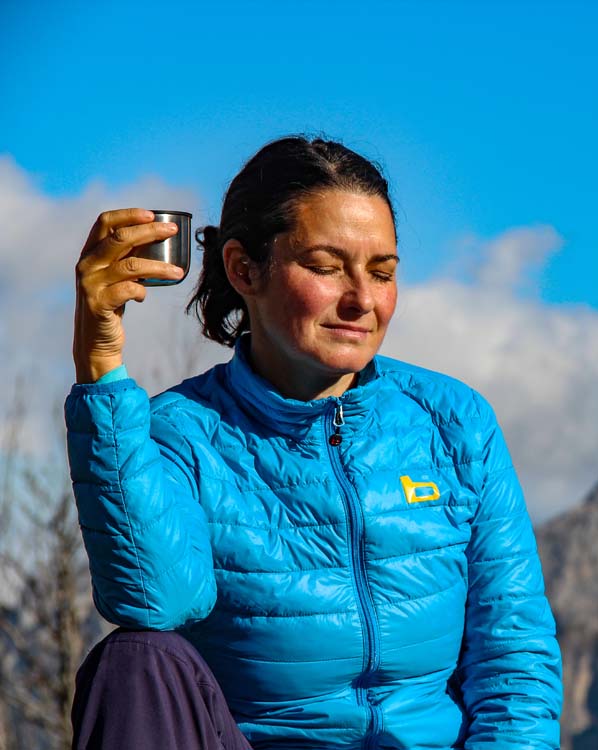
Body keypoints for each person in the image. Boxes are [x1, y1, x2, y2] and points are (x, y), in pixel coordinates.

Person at [65, 136, 562, 749]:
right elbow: (155, 600)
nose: (361, 301)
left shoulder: (454, 422)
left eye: (381, 272)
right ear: (244, 269)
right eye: (326, 268)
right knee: (136, 657)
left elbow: (513, 653)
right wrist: (101, 369)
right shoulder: (179, 430)